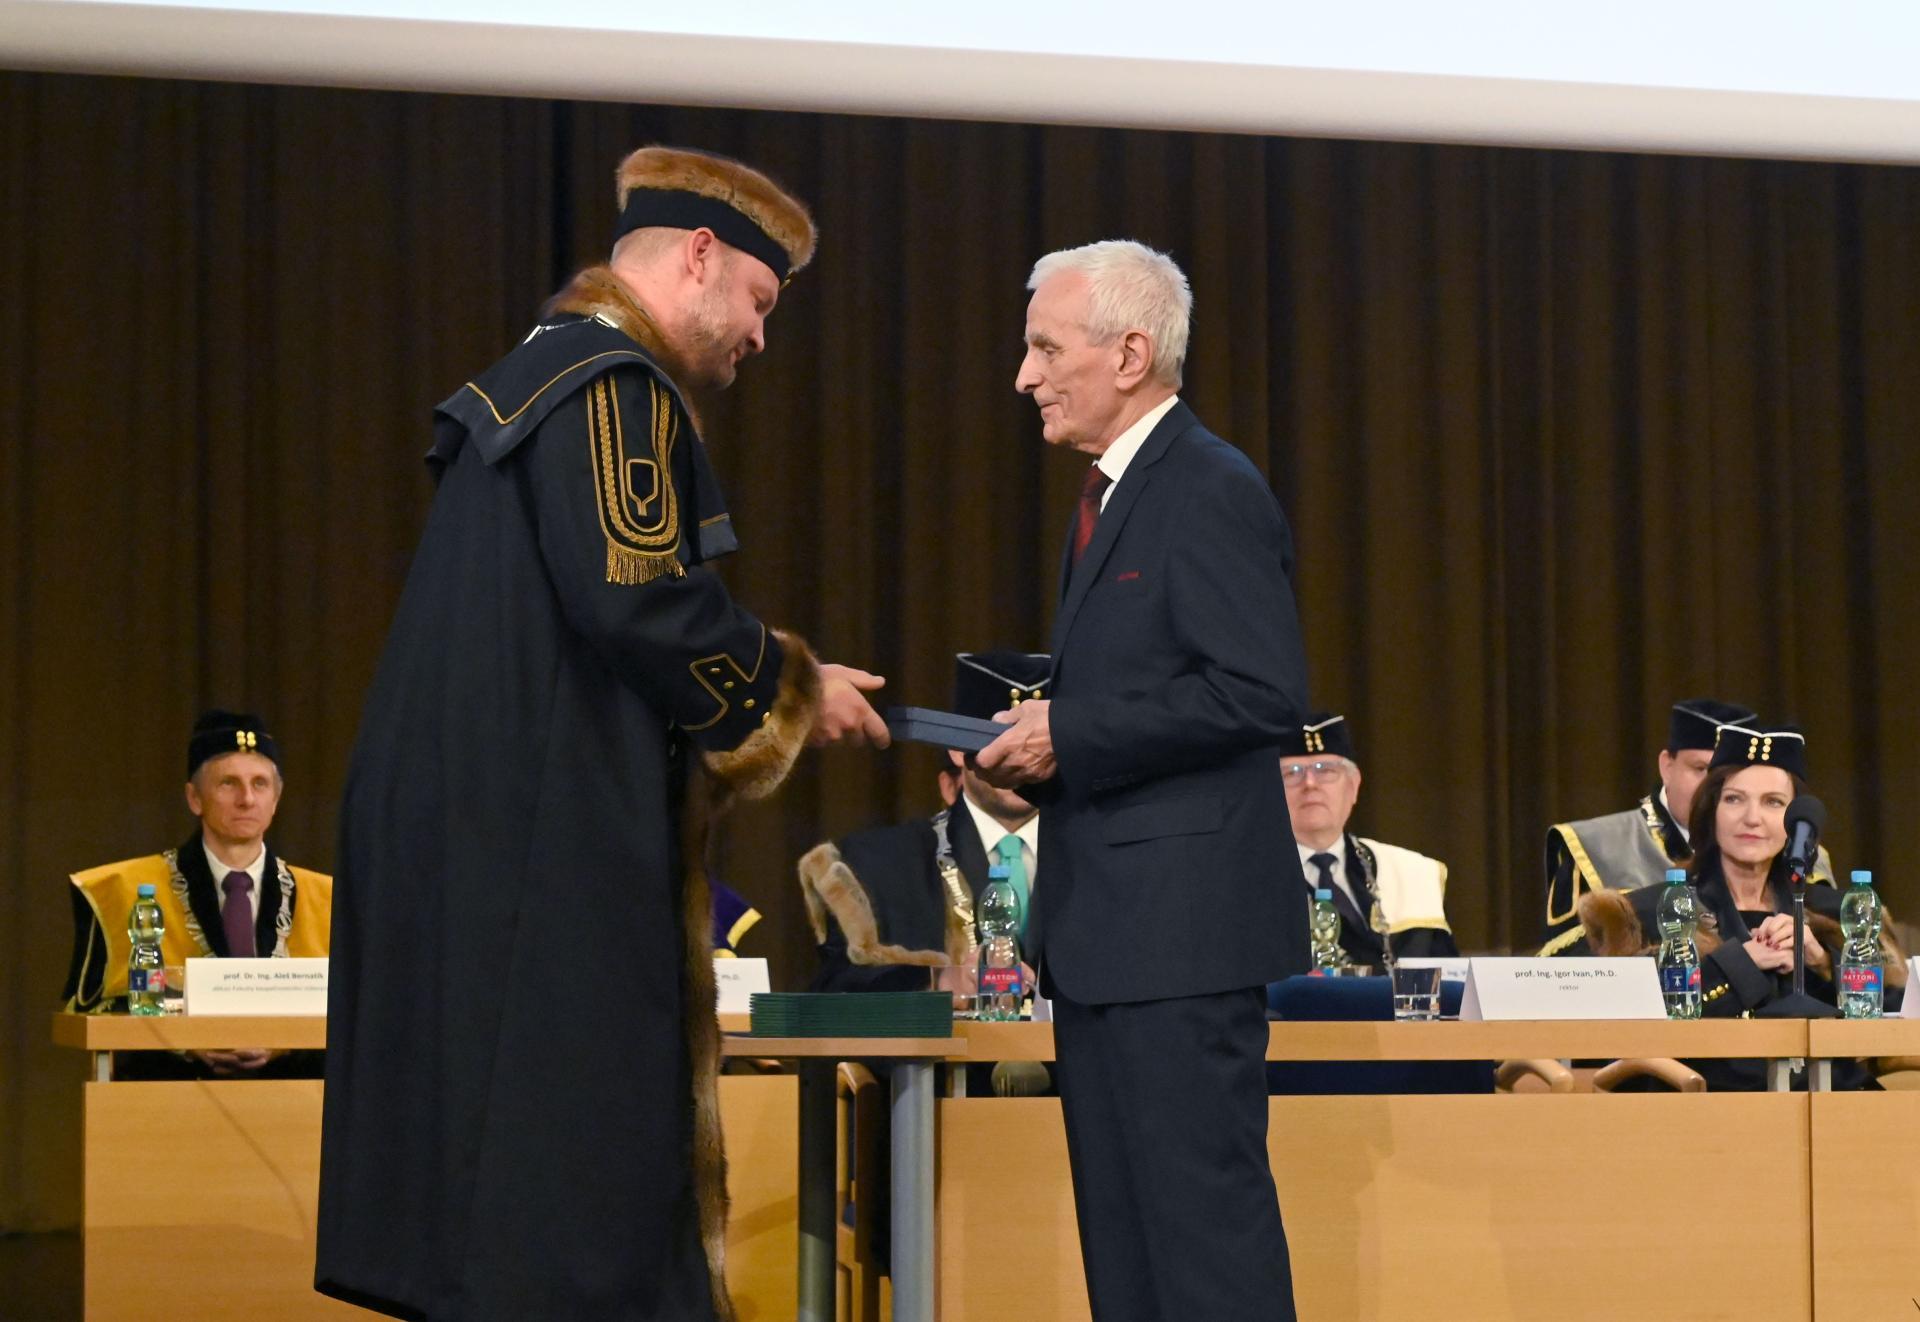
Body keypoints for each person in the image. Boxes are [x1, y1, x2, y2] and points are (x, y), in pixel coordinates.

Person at [315, 146, 887, 1322]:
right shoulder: (613, 384)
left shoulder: (537, 376)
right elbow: (635, 595)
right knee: (565, 1197)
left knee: (480, 1188)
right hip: (537, 848)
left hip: (472, 827)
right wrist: (792, 686)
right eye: (760, 302)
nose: (761, 338)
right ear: (697, 257)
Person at [975, 239, 1306, 1321]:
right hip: (1112, 939)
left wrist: (1072, 732)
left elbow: (1258, 692)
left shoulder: (1207, 484)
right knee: (1127, 1254)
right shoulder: (1112, 495)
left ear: (1129, 353)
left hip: (1181, 942)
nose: (1024, 374)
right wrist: (1051, 748)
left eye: (1042, 346)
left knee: (1202, 1250)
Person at [1582, 723, 1907, 1088]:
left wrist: (1824, 963)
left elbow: (1900, 1018)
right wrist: (1740, 964)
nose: (1752, 818)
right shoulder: (1645, 914)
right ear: (1711, 811)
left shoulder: (1837, 913)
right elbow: (1623, 1035)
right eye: (1734, 799)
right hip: (1703, 1112)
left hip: (1833, 1110)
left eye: (1774, 802)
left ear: (1798, 823)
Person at [63, 709, 332, 1078]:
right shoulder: (122, 891)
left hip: (295, 1103)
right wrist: (186, 1039)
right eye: (228, 783)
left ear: (277, 798)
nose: (247, 799)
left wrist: (284, 1042)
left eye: (260, 784)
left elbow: (361, 1015)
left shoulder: (328, 900)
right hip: (166, 1100)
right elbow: (88, 1013)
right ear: (194, 798)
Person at [802, 650, 1048, 998]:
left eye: (1035, 744)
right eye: (999, 739)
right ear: (958, 750)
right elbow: (832, 993)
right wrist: (940, 984)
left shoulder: (1107, 862)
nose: (1020, 756)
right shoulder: (878, 862)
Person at [1541, 698, 1755, 956]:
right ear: (1667, 766)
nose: (1715, 788)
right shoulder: (1596, 847)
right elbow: (1563, 973)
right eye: (1701, 769)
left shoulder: (1797, 856)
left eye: (1732, 776)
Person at [1280, 712, 1456, 965]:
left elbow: (1449, 986)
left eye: (1325, 770)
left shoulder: (1413, 874)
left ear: (1353, 786)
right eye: (1292, 773)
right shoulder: (1246, 879)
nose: (1310, 784)